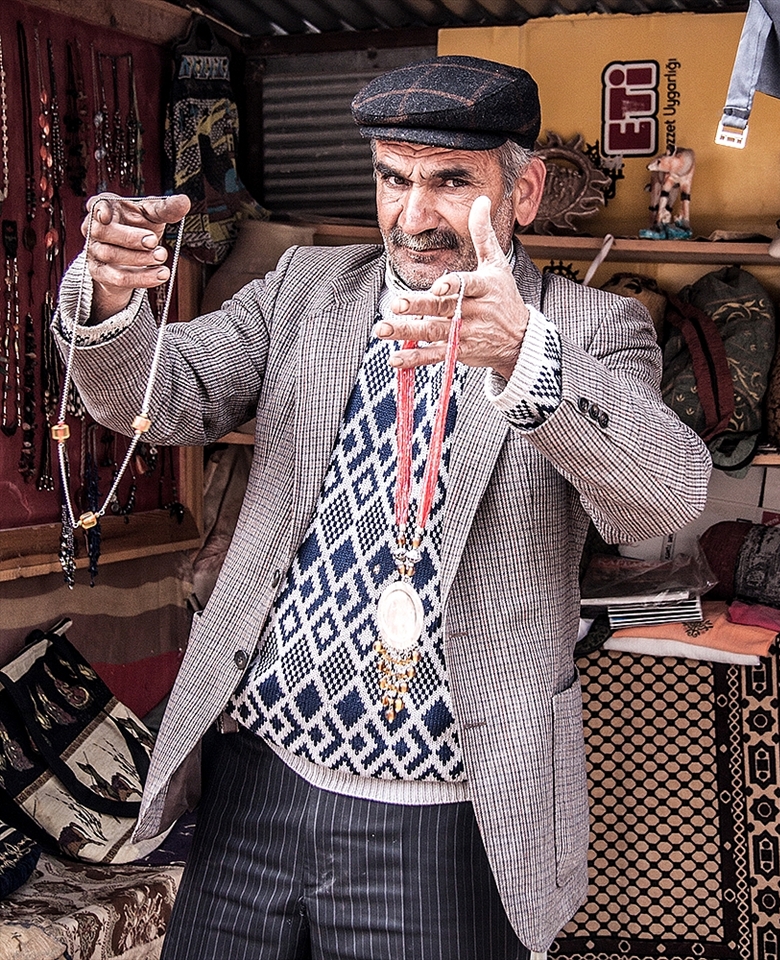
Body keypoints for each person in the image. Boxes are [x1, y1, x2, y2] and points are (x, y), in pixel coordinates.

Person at [54, 55, 711, 960]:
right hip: (258, 788)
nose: (413, 216)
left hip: (443, 821)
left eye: (451, 182)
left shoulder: (592, 330)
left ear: (524, 191)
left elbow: (662, 494)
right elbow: (160, 397)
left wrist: (525, 361)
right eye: (393, 180)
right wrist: (113, 300)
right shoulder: (305, 291)